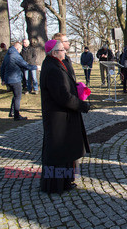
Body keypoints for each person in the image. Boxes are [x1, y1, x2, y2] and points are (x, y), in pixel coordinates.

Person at [40, 39, 90, 194]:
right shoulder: (53, 69)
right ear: (54, 52)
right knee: (58, 153)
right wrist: (83, 105)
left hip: (64, 118)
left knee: (66, 151)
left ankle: (66, 181)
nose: (65, 52)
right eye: (63, 50)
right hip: (58, 119)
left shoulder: (55, 64)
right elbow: (63, 97)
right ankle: (55, 186)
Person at [1, 42, 37, 120]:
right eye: (20, 49)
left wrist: (3, 79)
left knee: (15, 95)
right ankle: (16, 115)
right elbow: (25, 65)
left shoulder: (7, 55)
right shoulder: (16, 56)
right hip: (15, 79)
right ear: (17, 48)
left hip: (8, 79)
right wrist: (36, 67)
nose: (21, 51)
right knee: (18, 97)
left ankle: (12, 112)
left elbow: (2, 67)